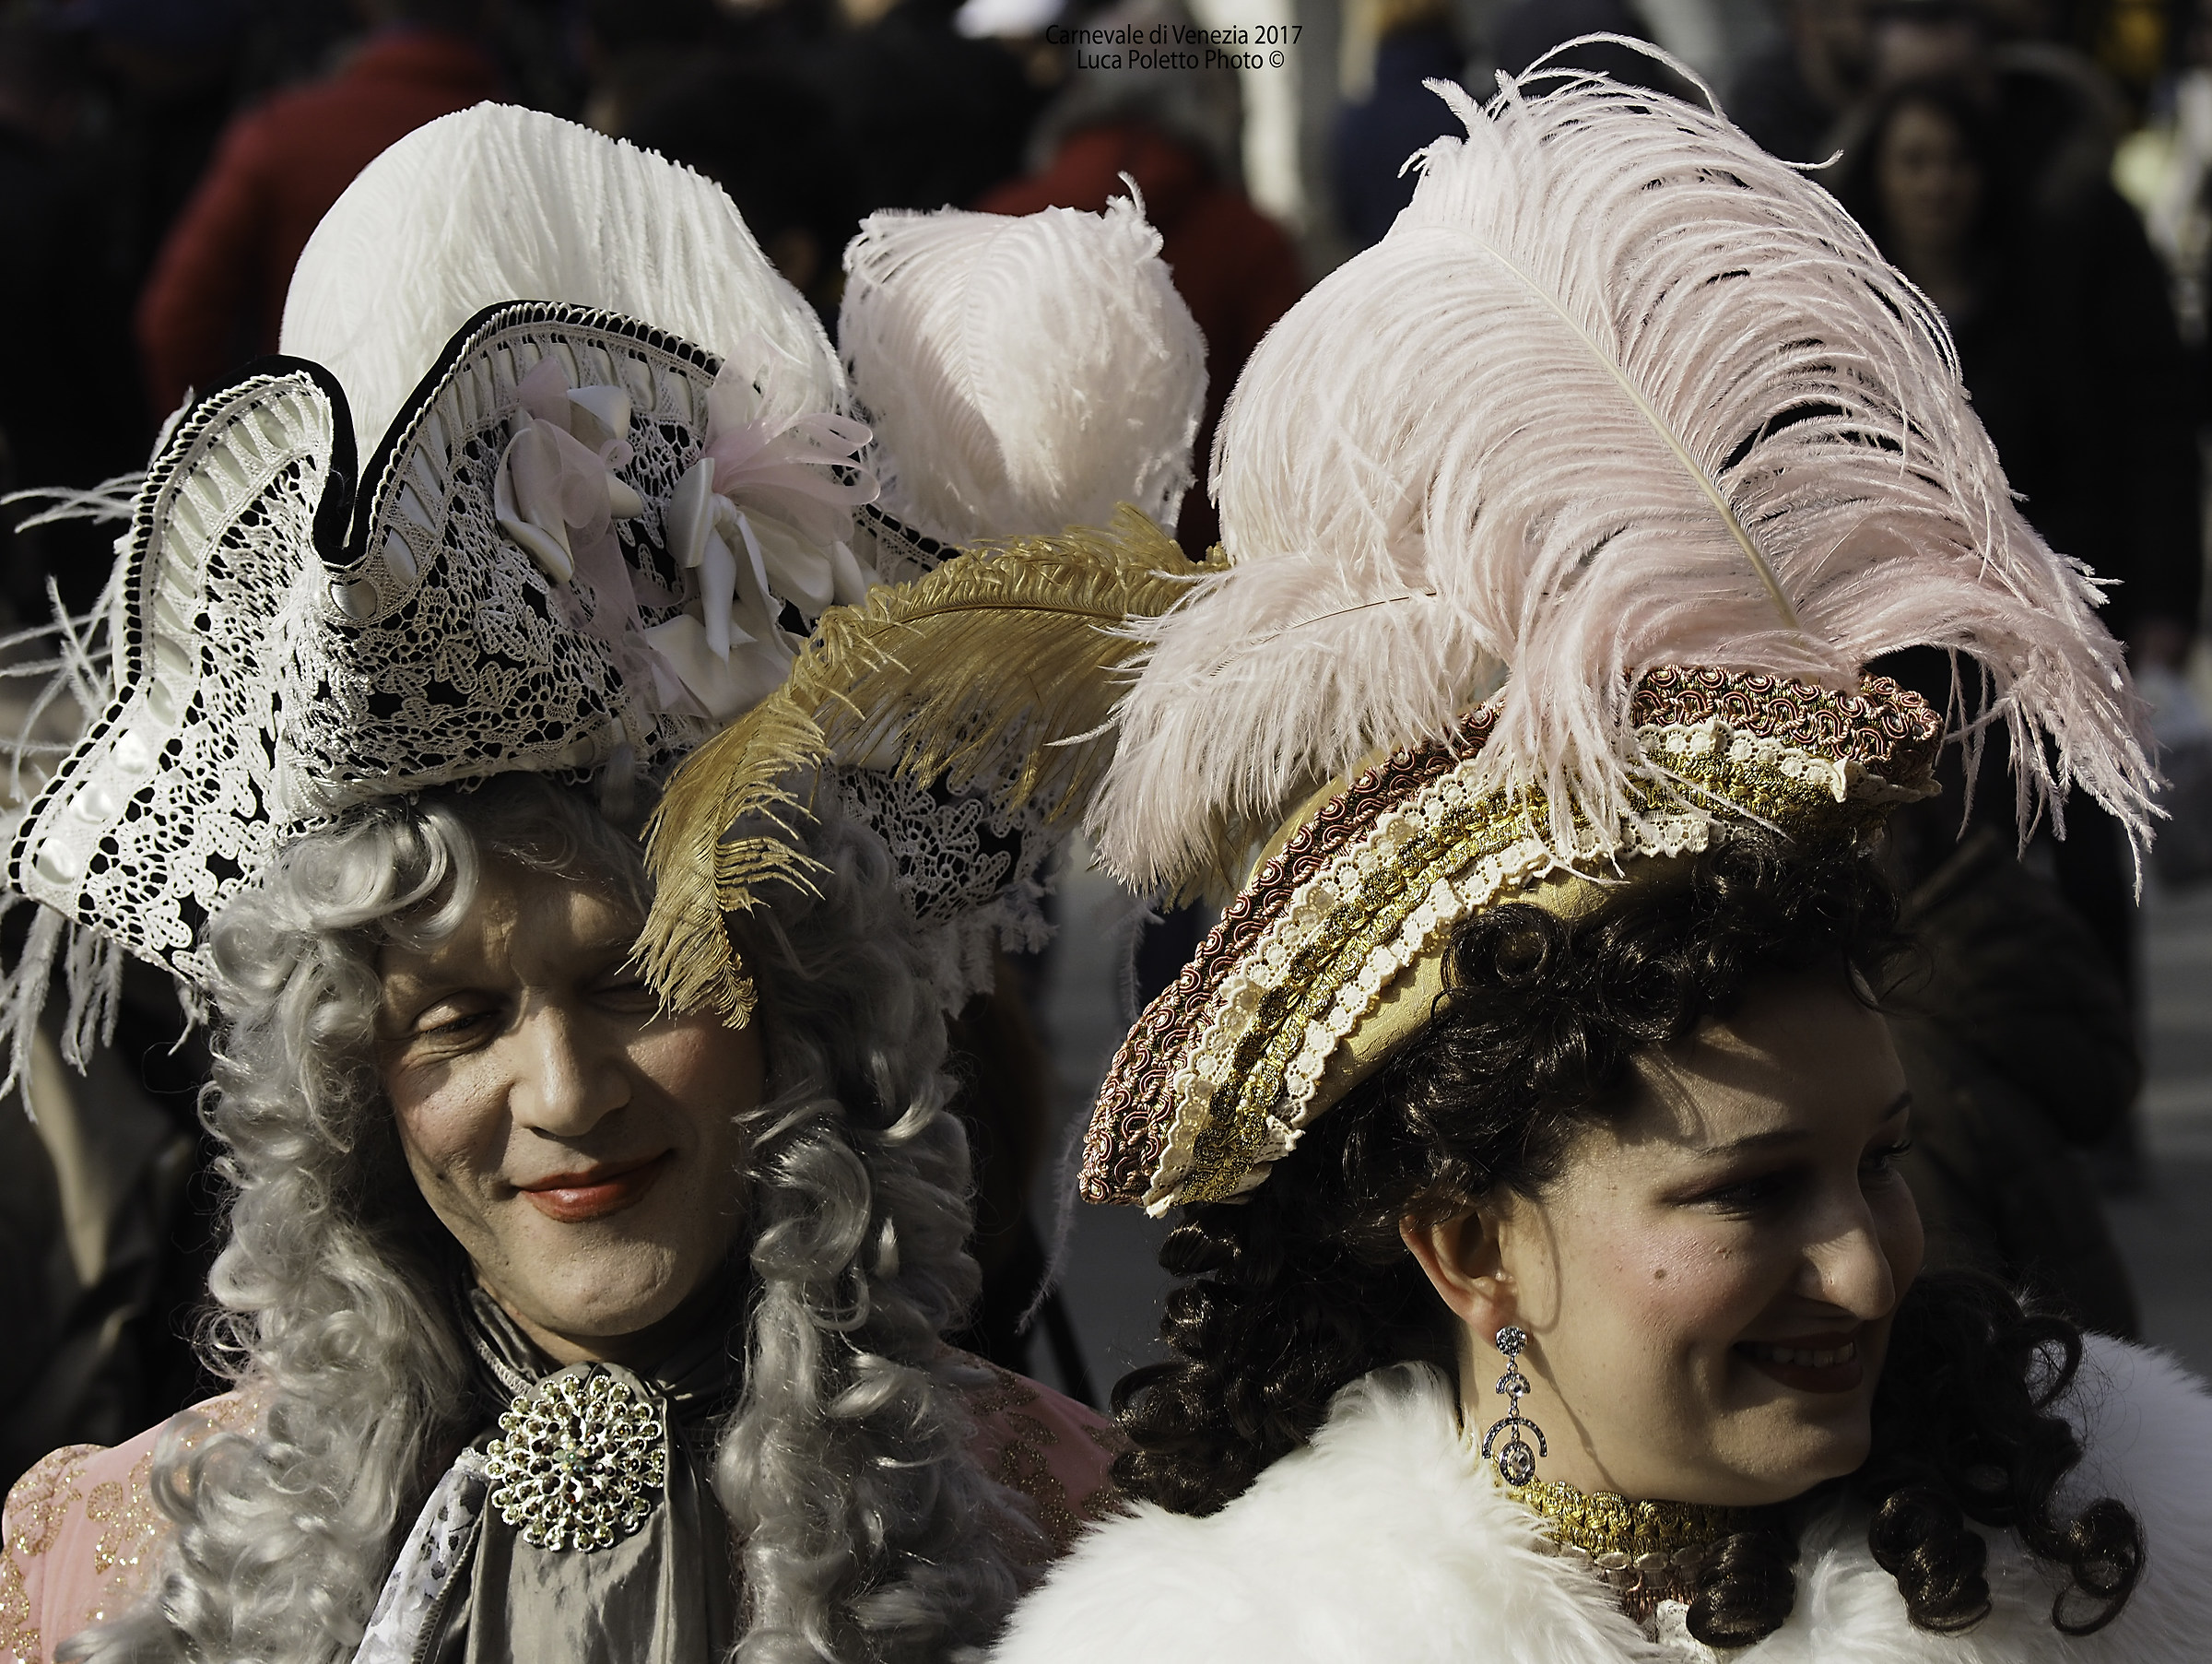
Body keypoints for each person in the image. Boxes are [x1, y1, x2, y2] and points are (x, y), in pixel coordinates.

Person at [867, 59, 2208, 1662]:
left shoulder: (2113, 1552)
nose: (1867, 1267)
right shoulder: (1222, 1641)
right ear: (1467, 1243)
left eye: (1882, 1161)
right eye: (1752, 1190)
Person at [1, 99, 1208, 1664]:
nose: (562, 1093)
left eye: (639, 983)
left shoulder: (1082, 1547)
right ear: (350, 1082)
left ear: (797, 1001)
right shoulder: (98, 1568)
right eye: (455, 1017)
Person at [133, 0, 501, 417]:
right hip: (481, 464)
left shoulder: (282, 132)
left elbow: (175, 322)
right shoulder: (530, 150)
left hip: (312, 456)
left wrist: (233, 452)